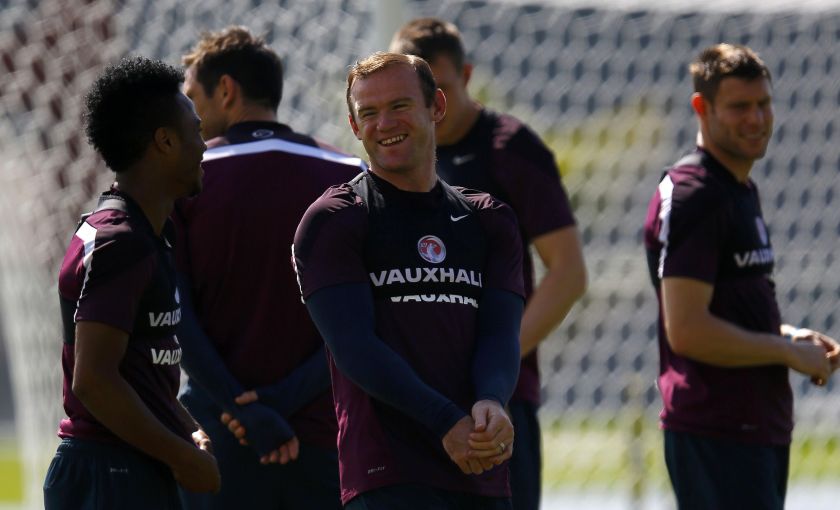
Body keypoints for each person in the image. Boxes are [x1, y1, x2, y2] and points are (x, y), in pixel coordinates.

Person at [293, 51, 524, 509]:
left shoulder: (488, 219)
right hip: (388, 477)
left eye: (399, 106)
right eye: (369, 113)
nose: (385, 124)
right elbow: (355, 348)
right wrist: (444, 422)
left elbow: (500, 333)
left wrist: (493, 401)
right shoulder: (334, 220)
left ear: (436, 106)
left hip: (476, 465)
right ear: (355, 127)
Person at [389, 18, 587, 510]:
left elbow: (568, 273)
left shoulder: (510, 149)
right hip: (414, 401)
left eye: (442, 87)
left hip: (494, 402)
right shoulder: (392, 161)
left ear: (467, 74)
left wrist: (491, 364)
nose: (432, 104)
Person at [174, 26, 364, 509]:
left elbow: (175, 313)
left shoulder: (185, 176)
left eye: (191, 96)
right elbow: (363, 320)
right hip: (327, 437)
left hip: (214, 437)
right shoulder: (351, 175)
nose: (188, 112)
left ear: (225, 90)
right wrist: (281, 401)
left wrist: (240, 408)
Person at [643, 43, 839, 509]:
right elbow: (688, 330)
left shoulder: (739, 190)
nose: (756, 119)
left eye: (763, 104)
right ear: (701, 108)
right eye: (739, 107)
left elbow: (725, 309)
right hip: (717, 430)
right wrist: (785, 351)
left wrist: (791, 335)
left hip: (756, 428)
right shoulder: (694, 195)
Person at [44, 56, 220, 509]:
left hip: (122, 465)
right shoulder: (121, 242)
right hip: (109, 470)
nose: (204, 145)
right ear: (164, 141)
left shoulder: (145, 231)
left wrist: (186, 426)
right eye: (196, 131)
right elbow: (95, 381)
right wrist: (182, 455)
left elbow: (139, 371)